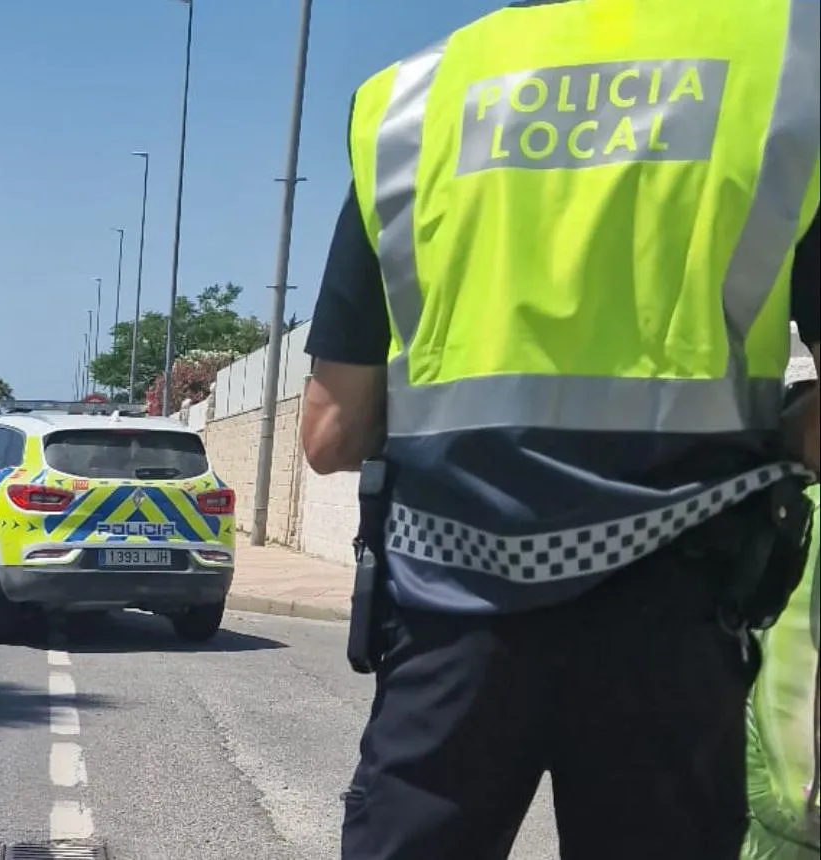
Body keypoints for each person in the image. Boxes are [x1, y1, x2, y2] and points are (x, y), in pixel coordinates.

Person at [299, 0, 820, 857]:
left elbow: (327, 434)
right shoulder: (785, 64)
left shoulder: (412, 103)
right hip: (676, 623)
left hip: (451, 623)